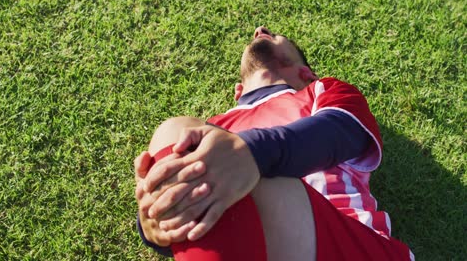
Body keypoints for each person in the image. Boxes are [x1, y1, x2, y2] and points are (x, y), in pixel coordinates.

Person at [134, 26, 414, 261]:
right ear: (238, 91)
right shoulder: (210, 130)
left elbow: (343, 132)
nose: (260, 30)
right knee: (176, 136)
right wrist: (155, 222)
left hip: (348, 243)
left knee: (187, 142)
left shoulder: (322, 90)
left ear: (306, 73)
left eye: (276, 35)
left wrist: (252, 153)